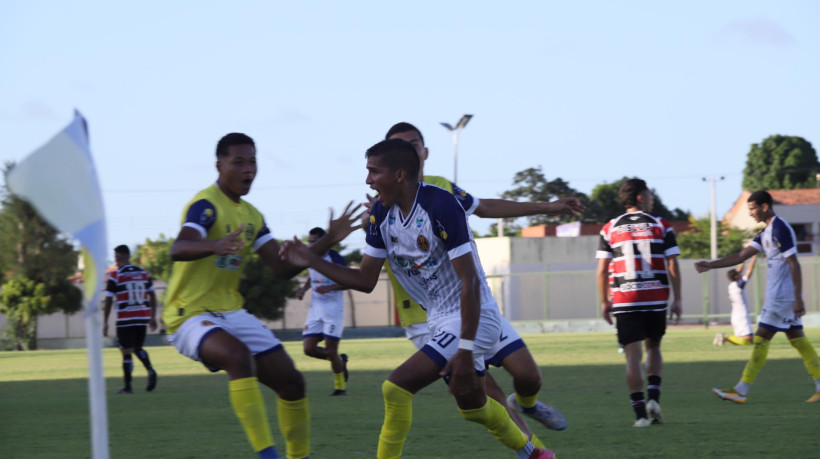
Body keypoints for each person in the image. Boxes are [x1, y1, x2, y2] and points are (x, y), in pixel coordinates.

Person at [281, 138, 555, 459]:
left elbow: (470, 281)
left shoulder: (441, 205)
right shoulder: (381, 214)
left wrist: (465, 349)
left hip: (473, 317)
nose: (368, 180)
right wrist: (311, 259)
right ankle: (535, 454)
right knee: (473, 408)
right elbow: (365, 280)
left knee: (395, 389)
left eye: (373, 171)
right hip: (438, 320)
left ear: (399, 175)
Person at [162, 132, 363, 459]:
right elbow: (178, 248)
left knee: (292, 383)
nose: (248, 169)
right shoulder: (205, 206)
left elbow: (282, 269)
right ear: (219, 165)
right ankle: (266, 455)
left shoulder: (252, 216)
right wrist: (214, 245)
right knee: (238, 357)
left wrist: (327, 240)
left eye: (252, 161)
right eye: (238, 161)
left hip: (231, 312)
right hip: (188, 315)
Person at [379, 122, 579, 441]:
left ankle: (527, 404)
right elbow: (367, 258)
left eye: (414, 144)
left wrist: (548, 206)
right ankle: (537, 451)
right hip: (429, 319)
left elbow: (483, 207)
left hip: (473, 304)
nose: (408, 150)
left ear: (424, 152)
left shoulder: (441, 189)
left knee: (529, 376)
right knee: (489, 395)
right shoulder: (383, 203)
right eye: (398, 146)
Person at [695, 190, 820, 404]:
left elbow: (794, 263)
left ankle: (741, 390)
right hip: (783, 298)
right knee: (798, 341)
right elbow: (740, 256)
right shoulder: (765, 233)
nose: (751, 213)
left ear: (764, 207)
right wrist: (710, 265)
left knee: (761, 340)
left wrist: (798, 298)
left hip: (781, 298)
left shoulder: (780, 228)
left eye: (752, 209)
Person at [596, 178, 682, 427]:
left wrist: (604, 301)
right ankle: (653, 399)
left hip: (624, 298)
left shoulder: (609, 228)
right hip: (655, 297)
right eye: (650, 194)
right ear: (640, 198)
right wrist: (678, 299)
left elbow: (602, 270)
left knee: (632, 356)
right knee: (654, 347)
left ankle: (640, 416)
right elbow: (673, 263)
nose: (653, 198)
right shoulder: (661, 225)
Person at [295, 226, 350, 396]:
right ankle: (339, 362)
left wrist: (330, 288)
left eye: (314, 241)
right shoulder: (309, 257)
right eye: (309, 241)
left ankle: (340, 387)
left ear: (323, 241)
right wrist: (304, 289)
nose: (311, 244)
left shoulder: (334, 258)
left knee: (331, 350)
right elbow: (311, 276)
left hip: (333, 311)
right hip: (315, 310)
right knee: (308, 349)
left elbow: (350, 281)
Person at [103, 244, 158, 394]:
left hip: (125, 319)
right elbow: (153, 295)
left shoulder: (115, 276)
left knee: (126, 352)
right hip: (142, 318)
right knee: (137, 348)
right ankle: (151, 370)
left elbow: (108, 300)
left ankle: (128, 387)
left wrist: (105, 323)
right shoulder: (143, 273)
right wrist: (153, 316)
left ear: (117, 257)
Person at [713, 256, 757, 346]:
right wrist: (754, 256)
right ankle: (726, 337)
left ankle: (725, 338)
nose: (740, 273)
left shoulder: (732, 285)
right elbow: (749, 271)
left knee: (743, 340)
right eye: (738, 273)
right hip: (742, 315)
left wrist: (743, 258)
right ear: (736, 276)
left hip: (735, 315)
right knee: (749, 340)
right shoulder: (739, 286)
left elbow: (739, 270)